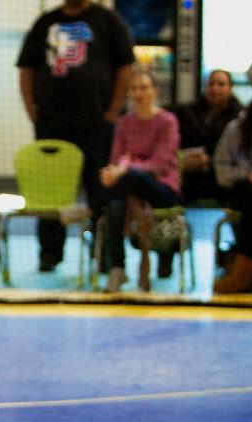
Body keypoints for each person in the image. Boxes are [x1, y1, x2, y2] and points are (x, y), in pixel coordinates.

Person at [17, 0, 134, 272]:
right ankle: (49, 254)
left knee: (100, 190)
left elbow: (125, 67)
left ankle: (104, 254)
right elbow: (26, 69)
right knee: (49, 191)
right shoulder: (45, 22)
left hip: (96, 124)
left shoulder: (108, 20)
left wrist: (114, 111)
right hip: (51, 125)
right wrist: (32, 110)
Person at [99, 71, 180, 293]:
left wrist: (124, 168)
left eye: (144, 87)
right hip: (127, 189)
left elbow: (159, 163)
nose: (138, 93)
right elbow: (115, 159)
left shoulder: (167, 121)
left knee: (126, 182)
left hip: (163, 188)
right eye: (134, 88)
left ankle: (94, 204)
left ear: (155, 91)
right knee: (117, 204)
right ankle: (117, 268)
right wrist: (114, 169)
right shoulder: (124, 123)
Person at [175, 70, 243, 206]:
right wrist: (183, 160)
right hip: (188, 173)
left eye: (221, 84)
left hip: (222, 175)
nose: (215, 88)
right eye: (211, 84)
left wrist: (209, 161)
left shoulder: (240, 118)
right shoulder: (188, 112)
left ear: (230, 88)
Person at [213, 98, 252, 294]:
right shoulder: (235, 130)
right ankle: (242, 275)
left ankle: (242, 275)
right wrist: (246, 175)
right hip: (239, 191)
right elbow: (222, 173)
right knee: (251, 192)